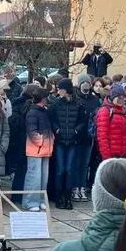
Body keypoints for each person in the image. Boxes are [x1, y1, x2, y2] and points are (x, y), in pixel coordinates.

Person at [50, 78, 85, 210]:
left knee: (69, 170)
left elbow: (83, 121)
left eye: (60, 89)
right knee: (60, 170)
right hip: (60, 140)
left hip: (72, 140)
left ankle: (68, 197)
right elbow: (52, 120)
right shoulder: (56, 104)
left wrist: (76, 131)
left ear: (66, 89)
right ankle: (59, 197)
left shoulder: (79, 104)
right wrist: (57, 129)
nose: (58, 91)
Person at [23, 84, 54, 211]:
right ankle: (30, 202)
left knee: (43, 177)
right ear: (42, 99)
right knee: (34, 177)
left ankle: (40, 200)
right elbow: (32, 132)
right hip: (36, 149)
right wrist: (42, 142)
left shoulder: (44, 111)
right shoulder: (32, 112)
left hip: (45, 148)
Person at [74, 74, 101, 202]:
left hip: (89, 137)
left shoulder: (95, 100)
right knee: (76, 163)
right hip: (77, 136)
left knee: (85, 164)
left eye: (88, 82)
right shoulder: (75, 98)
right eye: (83, 82)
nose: (86, 85)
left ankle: (82, 187)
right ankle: (75, 187)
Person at [96, 82, 126, 161]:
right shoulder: (105, 111)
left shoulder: (124, 111)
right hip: (111, 155)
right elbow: (102, 136)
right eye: (119, 97)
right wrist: (106, 156)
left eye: (123, 97)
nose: (121, 100)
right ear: (113, 97)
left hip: (123, 154)